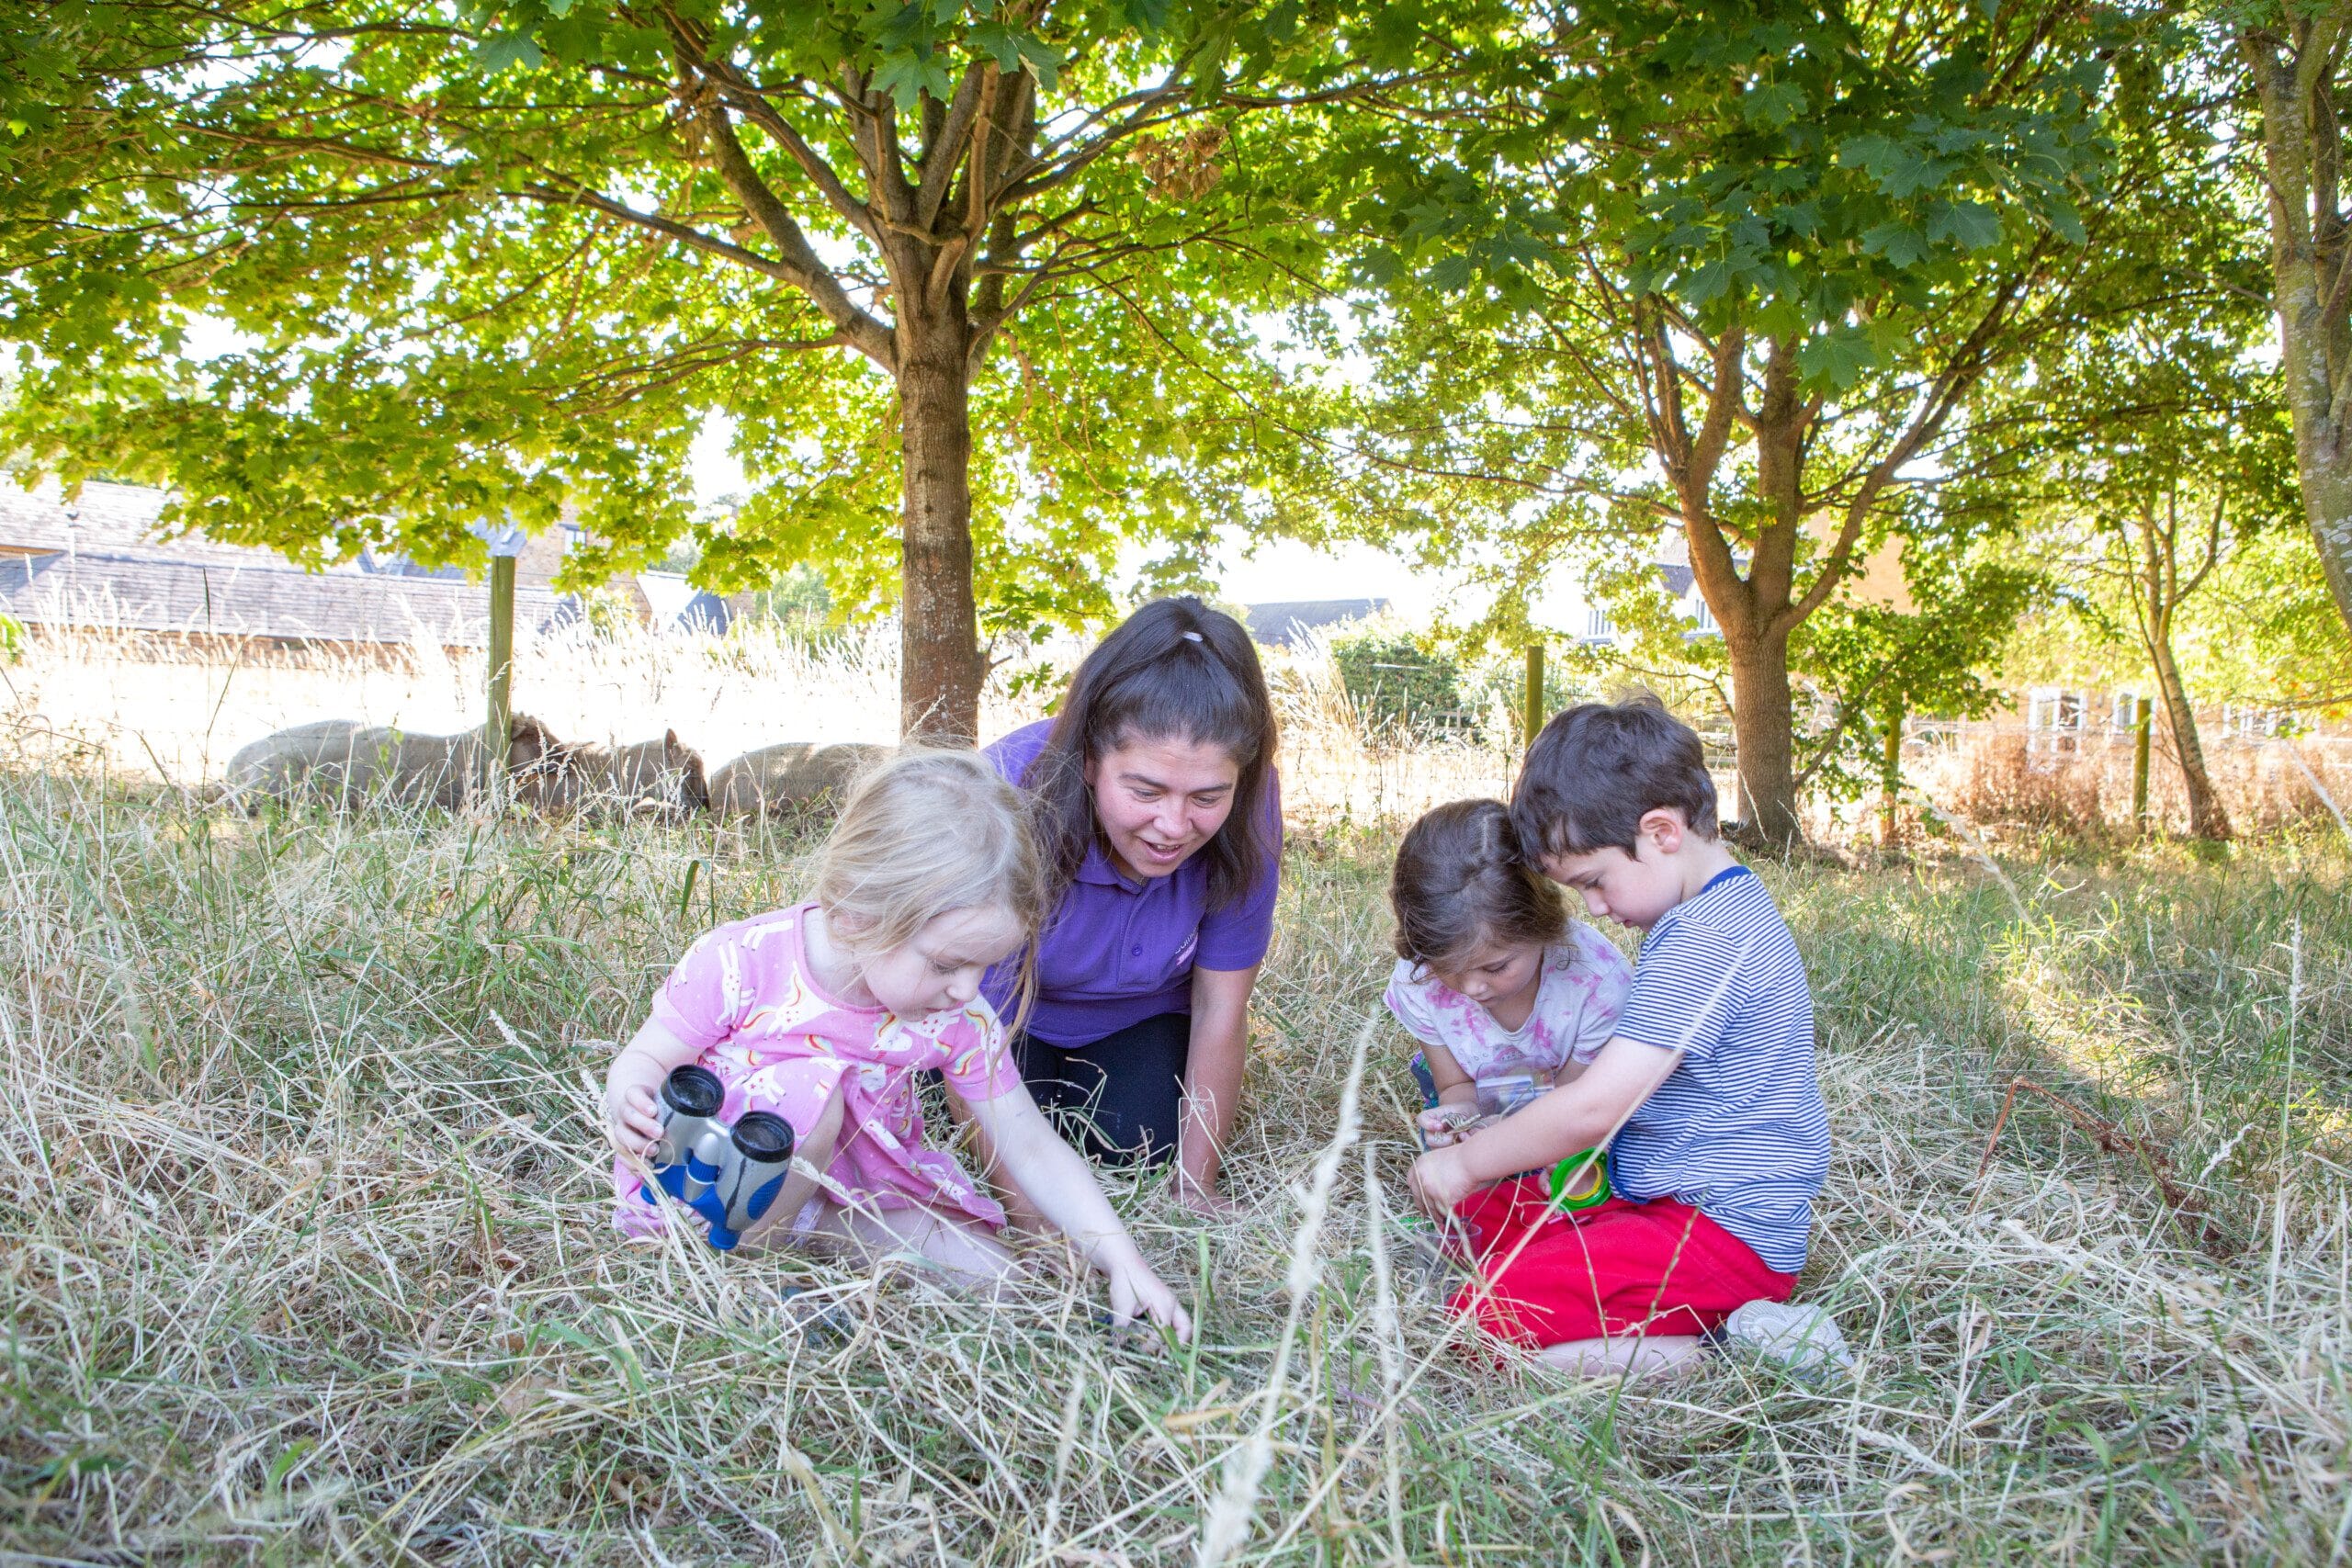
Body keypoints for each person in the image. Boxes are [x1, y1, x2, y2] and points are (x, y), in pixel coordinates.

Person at [603, 748, 1191, 1339]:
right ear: (856, 914)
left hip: (850, 1194)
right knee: (811, 1093)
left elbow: (1029, 1144)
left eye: (984, 966)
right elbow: (646, 1059)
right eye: (947, 964)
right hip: (710, 1191)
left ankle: (812, 1231)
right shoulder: (745, 960)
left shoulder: (958, 1015)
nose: (967, 989)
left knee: (997, 1279)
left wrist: (1124, 1260)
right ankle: (741, 1269)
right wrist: (631, 1100)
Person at [1407, 698, 1847, 1377]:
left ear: (1662, 831)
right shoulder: (1720, 911)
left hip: (1721, 1237)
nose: (1594, 908)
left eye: (1594, 882)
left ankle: (1734, 1348)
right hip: (1660, 1199)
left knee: (1479, 1322)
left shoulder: (1705, 941)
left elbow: (1595, 1108)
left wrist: (1465, 1163)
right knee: (1487, 1214)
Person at [980, 597, 1282, 1216]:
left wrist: (1195, 1186)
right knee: (986, 1133)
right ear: (1090, 761)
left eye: (1207, 797)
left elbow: (1221, 1005)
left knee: (1138, 1145)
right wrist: (1026, 1216)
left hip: (1138, 1018)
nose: (1173, 825)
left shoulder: (1252, 804)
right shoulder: (1006, 792)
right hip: (1003, 1014)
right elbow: (970, 1022)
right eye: (1145, 791)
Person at [1385, 798, 1633, 1148]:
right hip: (1481, 1095)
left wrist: (1503, 1142)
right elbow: (1455, 1086)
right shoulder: (1420, 976)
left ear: (1542, 925)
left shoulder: (1599, 987)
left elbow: (1574, 1107)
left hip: (1569, 1107)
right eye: (1448, 967)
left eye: (1496, 967)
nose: (1472, 987)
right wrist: (1459, 1120)